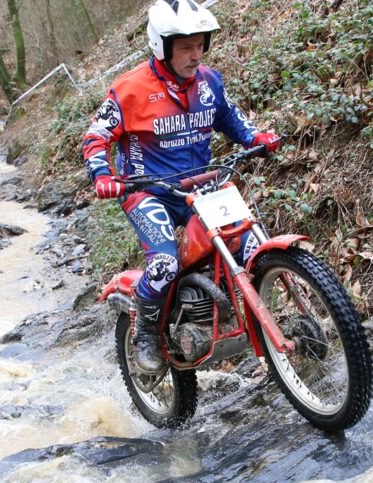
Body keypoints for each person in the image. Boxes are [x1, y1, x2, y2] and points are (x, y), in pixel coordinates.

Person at [82, 0, 281, 374]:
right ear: (162, 45)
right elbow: (95, 137)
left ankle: (253, 317)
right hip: (148, 192)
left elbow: (230, 118)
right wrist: (103, 176)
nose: (196, 54)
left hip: (202, 186)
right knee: (164, 263)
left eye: (200, 44)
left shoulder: (209, 81)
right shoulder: (128, 90)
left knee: (249, 244)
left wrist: (256, 136)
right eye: (186, 46)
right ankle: (145, 331)